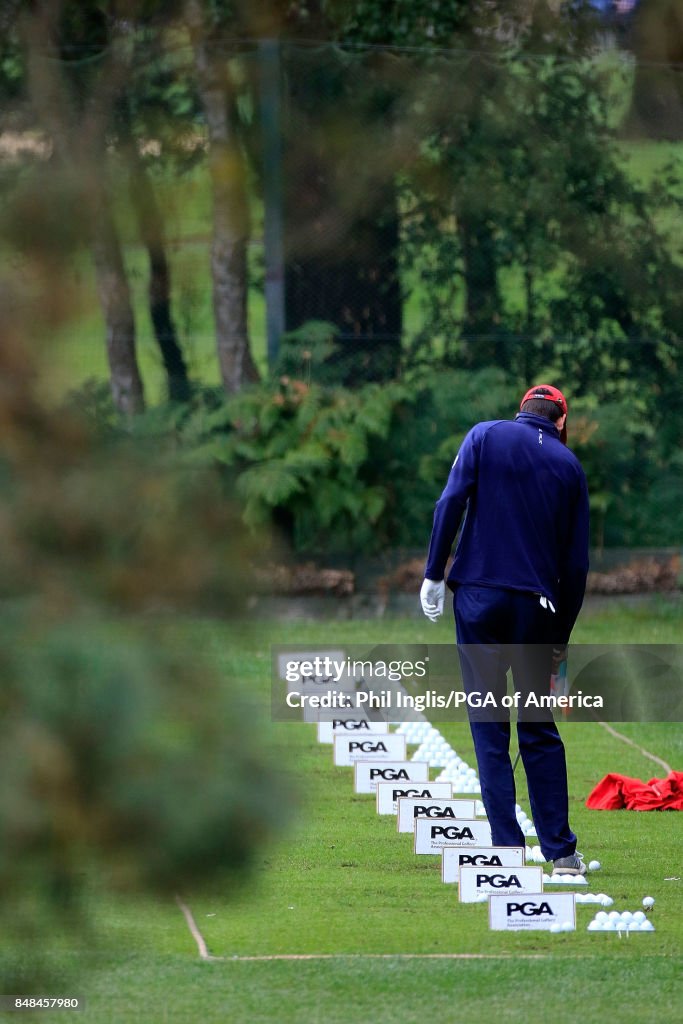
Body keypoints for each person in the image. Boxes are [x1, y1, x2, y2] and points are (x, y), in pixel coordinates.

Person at [420, 385, 590, 875]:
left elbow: (450, 502)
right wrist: (562, 638)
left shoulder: (483, 435)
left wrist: (434, 572)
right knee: (537, 727)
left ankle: (507, 848)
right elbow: (575, 566)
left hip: (477, 598)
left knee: (489, 725)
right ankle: (559, 852)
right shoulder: (569, 467)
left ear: (521, 411)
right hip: (536, 609)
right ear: (561, 421)